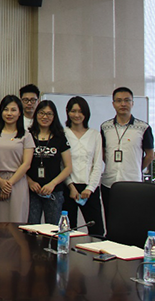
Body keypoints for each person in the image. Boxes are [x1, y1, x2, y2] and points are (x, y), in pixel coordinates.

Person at [100, 87, 154, 220]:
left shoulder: (143, 127)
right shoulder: (105, 127)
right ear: (113, 104)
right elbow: (103, 152)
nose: (123, 104)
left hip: (132, 183)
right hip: (109, 183)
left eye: (127, 100)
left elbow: (150, 155)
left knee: (131, 220)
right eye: (118, 101)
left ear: (132, 103)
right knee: (110, 220)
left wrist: (135, 168)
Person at [62, 96, 104, 235]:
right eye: (73, 111)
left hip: (89, 188)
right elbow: (61, 165)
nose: (77, 115)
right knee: (68, 230)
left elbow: (97, 164)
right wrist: (71, 187)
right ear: (68, 112)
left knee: (97, 231)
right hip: (68, 187)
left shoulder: (95, 135)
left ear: (86, 113)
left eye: (80, 111)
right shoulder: (63, 134)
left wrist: (90, 188)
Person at [26, 100, 72, 225]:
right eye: (41, 113)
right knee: (31, 227)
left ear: (54, 116)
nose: (45, 117)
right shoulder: (28, 136)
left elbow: (68, 167)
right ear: (36, 114)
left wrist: (52, 184)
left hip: (54, 191)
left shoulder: (60, 137)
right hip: (32, 190)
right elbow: (21, 164)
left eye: (49, 114)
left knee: (53, 228)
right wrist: (30, 182)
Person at [0, 95, 34, 223]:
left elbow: (26, 164)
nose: (9, 113)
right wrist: (0, 182)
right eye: (6, 109)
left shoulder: (26, 136)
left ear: (20, 113)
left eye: (13, 110)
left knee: (16, 221)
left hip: (17, 182)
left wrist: (8, 184)